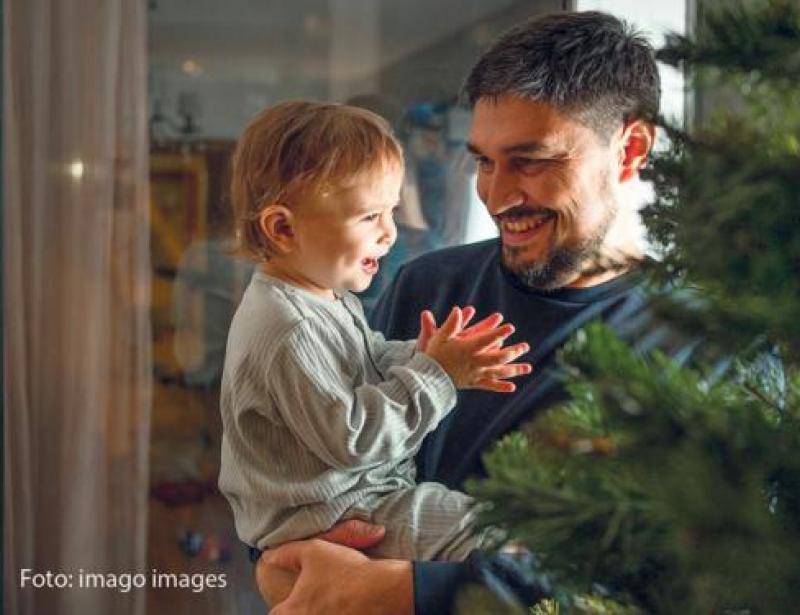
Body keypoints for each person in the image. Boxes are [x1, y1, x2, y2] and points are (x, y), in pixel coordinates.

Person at [255, 10, 669, 615]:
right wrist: (282, 561)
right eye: (484, 161)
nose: (498, 196)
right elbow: (312, 477)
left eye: (531, 161)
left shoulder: (701, 346)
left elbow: (665, 583)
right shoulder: (430, 286)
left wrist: (405, 593)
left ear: (630, 149)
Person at [218, 101, 533, 567]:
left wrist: (427, 354)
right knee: (488, 531)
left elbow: (362, 361)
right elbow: (354, 439)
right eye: (369, 217)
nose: (389, 233)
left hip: (349, 498)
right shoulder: (291, 327)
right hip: (329, 511)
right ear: (283, 228)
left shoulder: (319, 295)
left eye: (390, 211)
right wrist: (436, 375)